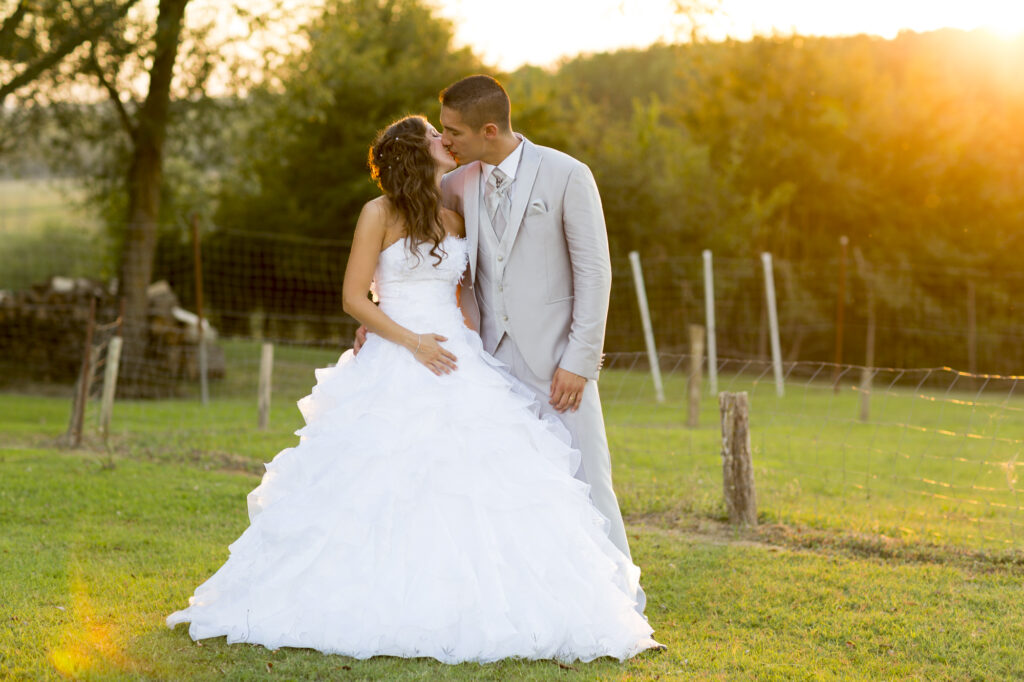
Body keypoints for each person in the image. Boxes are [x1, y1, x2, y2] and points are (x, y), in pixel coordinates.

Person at [166, 114, 660, 663]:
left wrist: (465, 342)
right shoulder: (376, 214)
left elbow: (470, 294)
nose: (446, 142)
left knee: (479, 482)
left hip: (458, 357)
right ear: (413, 152)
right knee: (385, 478)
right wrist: (406, 339)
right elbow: (355, 297)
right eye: (434, 136)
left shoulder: (454, 213)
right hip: (400, 356)